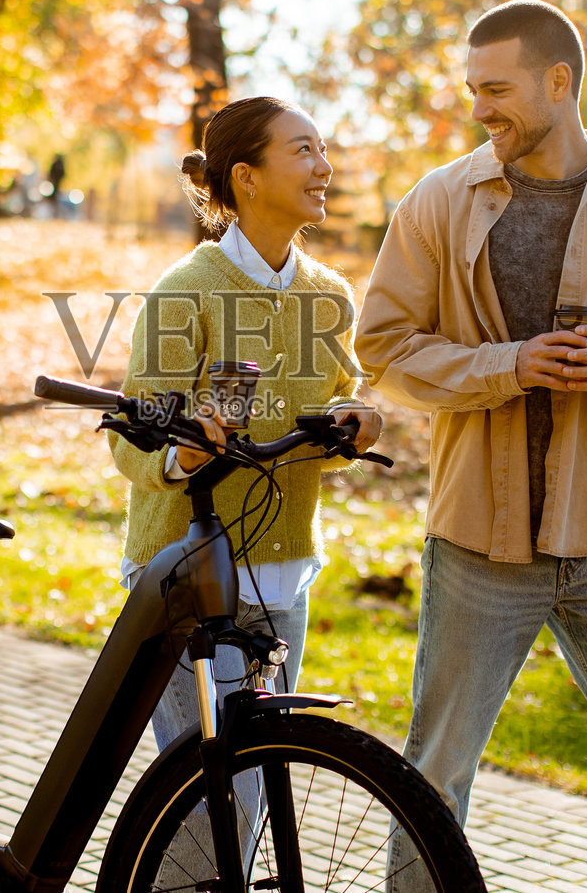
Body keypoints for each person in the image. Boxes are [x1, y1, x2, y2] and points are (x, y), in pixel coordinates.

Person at [355, 0, 587, 892]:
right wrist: (510, 363)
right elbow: (386, 349)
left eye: (497, 89)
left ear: (559, 83)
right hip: (479, 544)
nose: (481, 108)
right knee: (432, 775)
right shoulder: (439, 200)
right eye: (473, 89)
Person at [109, 95, 382, 873]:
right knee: (212, 804)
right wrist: (185, 452)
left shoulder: (329, 294)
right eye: (304, 150)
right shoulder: (185, 290)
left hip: (283, 577)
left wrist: (355, 423)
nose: (325, 166)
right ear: (247, 176)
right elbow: (132, 446)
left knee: (255, 793)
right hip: (189, 577)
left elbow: (327, 415)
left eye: (324, 148)